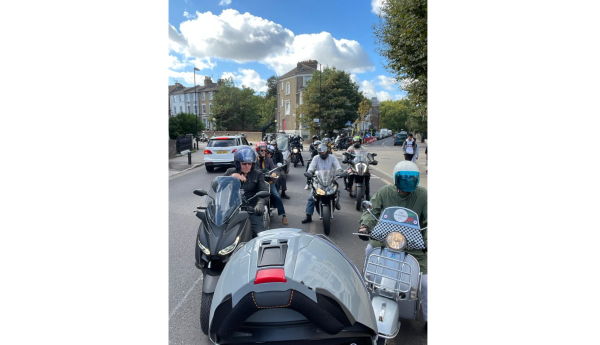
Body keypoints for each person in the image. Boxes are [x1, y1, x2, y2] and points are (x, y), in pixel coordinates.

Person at [357, 160, 427, 324]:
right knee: (369, 251)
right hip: (386, 240)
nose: (407, 183)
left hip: (415, 246)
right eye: (404, 179)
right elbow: (372, 210)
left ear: (416, 180)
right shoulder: (384, 192)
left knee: (426, 282)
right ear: (396, 179)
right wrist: (365, 225)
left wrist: (428, 240)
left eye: (412, 179)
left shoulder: (423, 195)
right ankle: (364, 293)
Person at [223, 147, 269, 237]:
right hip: (231, 209)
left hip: (251, 209)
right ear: (237, 163)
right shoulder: (230, 172)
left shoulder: (258, 174)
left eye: (249, 163)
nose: (247, 166)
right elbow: (217, 186)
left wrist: (260, 204)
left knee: (261, 235)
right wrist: (232, 177)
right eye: (244, 163)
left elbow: (263, 191)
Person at [301, 143, 343, 223]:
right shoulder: (316, 158)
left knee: (338, 191)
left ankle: (336, 202)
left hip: (330, 179)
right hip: (318, 180)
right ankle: (308, 216)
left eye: (324, 151)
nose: (323, 153)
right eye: (321, 152)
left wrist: (340, 171)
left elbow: (337, 166)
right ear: (319, 152)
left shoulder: (332, 157)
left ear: (327, 151)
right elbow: (311, 167)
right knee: (311, 197)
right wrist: (309, 172)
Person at [255, 142, 289, 225]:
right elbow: (253, 169)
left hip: (268, 181)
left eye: (265, 150)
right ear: (258, 150)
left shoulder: (269, 159)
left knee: (277, 195)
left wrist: (275, 173)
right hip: (257, 182)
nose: (264, 152)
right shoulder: (254, 160)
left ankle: (283, 215)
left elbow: (274, 168)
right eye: (262, 150)